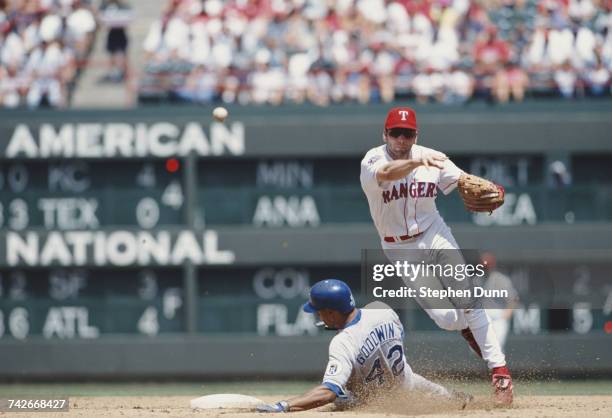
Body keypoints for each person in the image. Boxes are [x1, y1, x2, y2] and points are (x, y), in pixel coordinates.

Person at [359, 107, 513, 405]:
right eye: (396, 133)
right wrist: (417, 160)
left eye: (408, 133)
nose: (402, 139)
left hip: (434, 234)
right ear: (385, 134)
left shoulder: (434, 158)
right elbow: (388, 173)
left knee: (468, 299)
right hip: (398, 247)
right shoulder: (373, 159)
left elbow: (467, 183)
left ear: (416, 134)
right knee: (445, 318)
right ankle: (467, 329)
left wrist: (493, 188)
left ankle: (500, 372)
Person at [257, 279, 472, 413]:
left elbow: (328, 392)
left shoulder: (342, 342)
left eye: (320, 310)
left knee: (340, 395)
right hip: (408, 382)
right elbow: (398, 336)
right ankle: (456, 398)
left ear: (332, 313)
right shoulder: (381, 309)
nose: (317, 314)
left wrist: (284, 406)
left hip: (376, 402)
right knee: (442, 395)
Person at [480, 252, 519, 348]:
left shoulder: (501, 280)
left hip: (497, 316)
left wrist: (508, 313)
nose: (486, 267)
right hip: (481, 316)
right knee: (479, 349)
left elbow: (514, 298)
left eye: (488, 265)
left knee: (496, 347)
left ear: (493, 265)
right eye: (484, 265)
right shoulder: (476, 280)